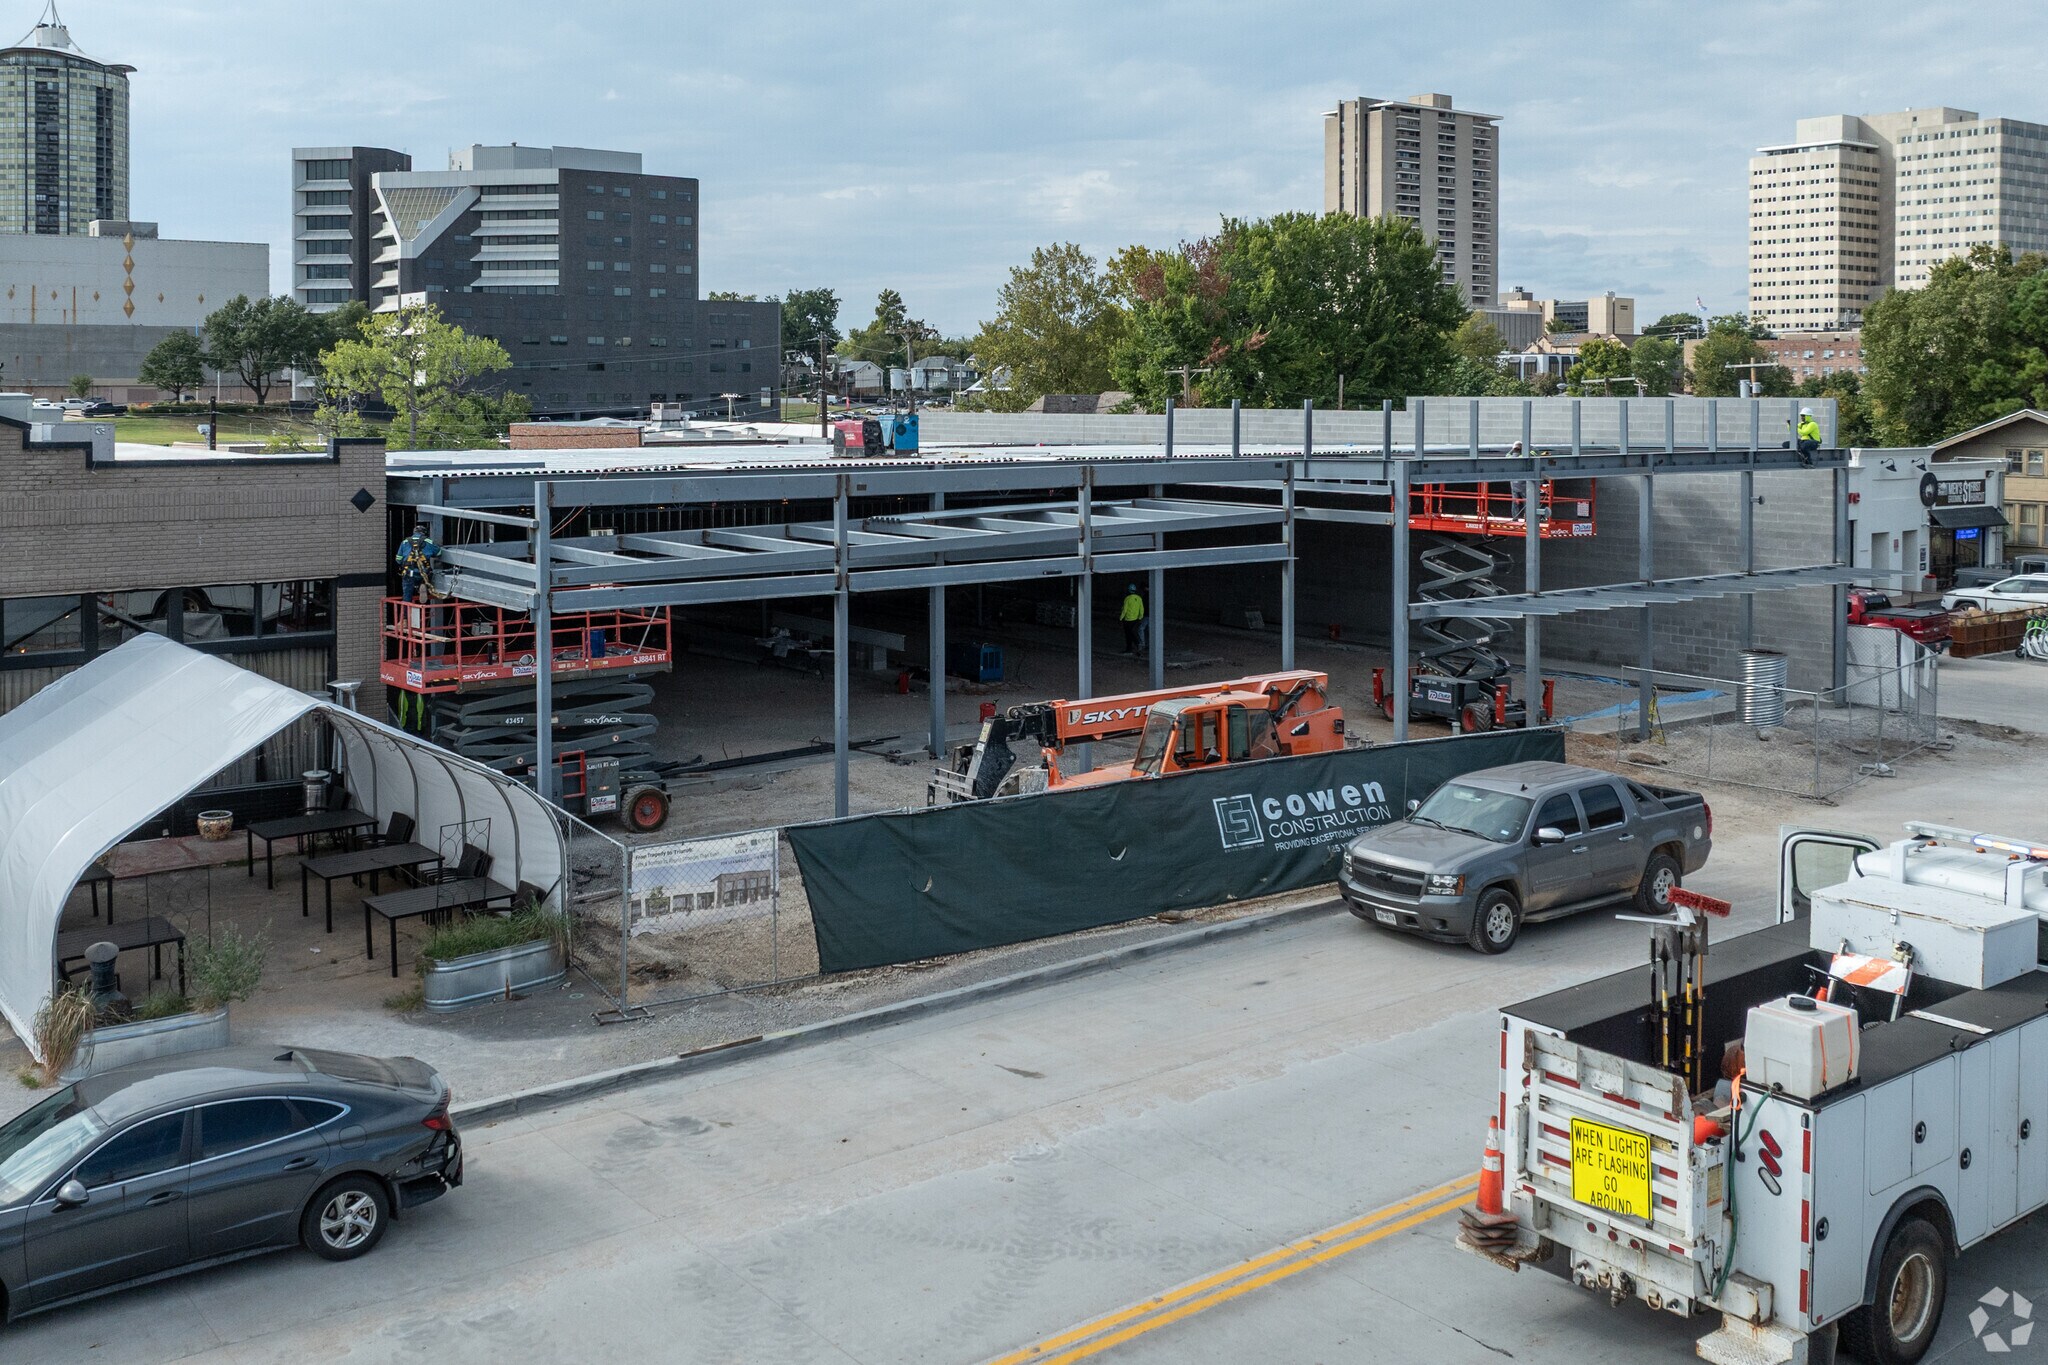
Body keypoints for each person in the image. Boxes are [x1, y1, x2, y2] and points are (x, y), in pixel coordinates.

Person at [396, 525, 442, 603]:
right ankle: (423, 586)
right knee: (428, 577)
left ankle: (405, 613)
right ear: (424, 533)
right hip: (423, 573)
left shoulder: (405, 542)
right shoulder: (428, 542)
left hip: (408, 573)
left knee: (407, 597)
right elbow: (439, 553)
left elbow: (398, 559)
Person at [1119, 583, 1146, 655]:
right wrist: (1140, 617)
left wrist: (1121, 618)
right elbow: (1142, 609)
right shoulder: (1139, 598)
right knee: (1133, 632)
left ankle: (1130, 648)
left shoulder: (1127, 599)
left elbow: (1124, 609)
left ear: (1128, 591)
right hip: (1136, 619)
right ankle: (1137, 646)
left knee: (1128, 634)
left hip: (1128, 620)